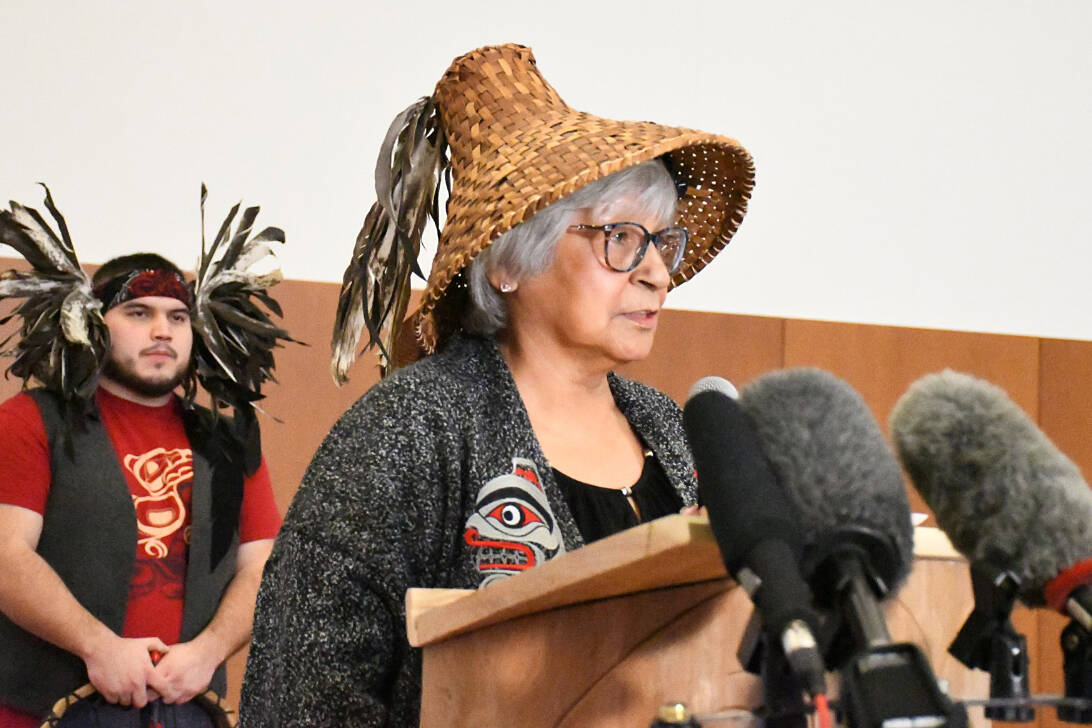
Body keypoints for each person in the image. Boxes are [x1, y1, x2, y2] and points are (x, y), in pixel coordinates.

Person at [241, 43, 755, 726]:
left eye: (663, 242)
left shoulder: (674, 428)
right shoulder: (408, 429)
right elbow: (298, 694)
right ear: (510, 262)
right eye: (622, 238)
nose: (656, 273)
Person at [0, 189, 291, 726]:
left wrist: (207, 653)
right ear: (92, 323)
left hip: (187, 705)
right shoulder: (28, 421)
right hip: (45, 710)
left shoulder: (229, 441)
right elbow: (6, 556)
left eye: (178, 318)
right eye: (139, 312)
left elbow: (262, 566)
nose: (163, 331)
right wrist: (98, 647)